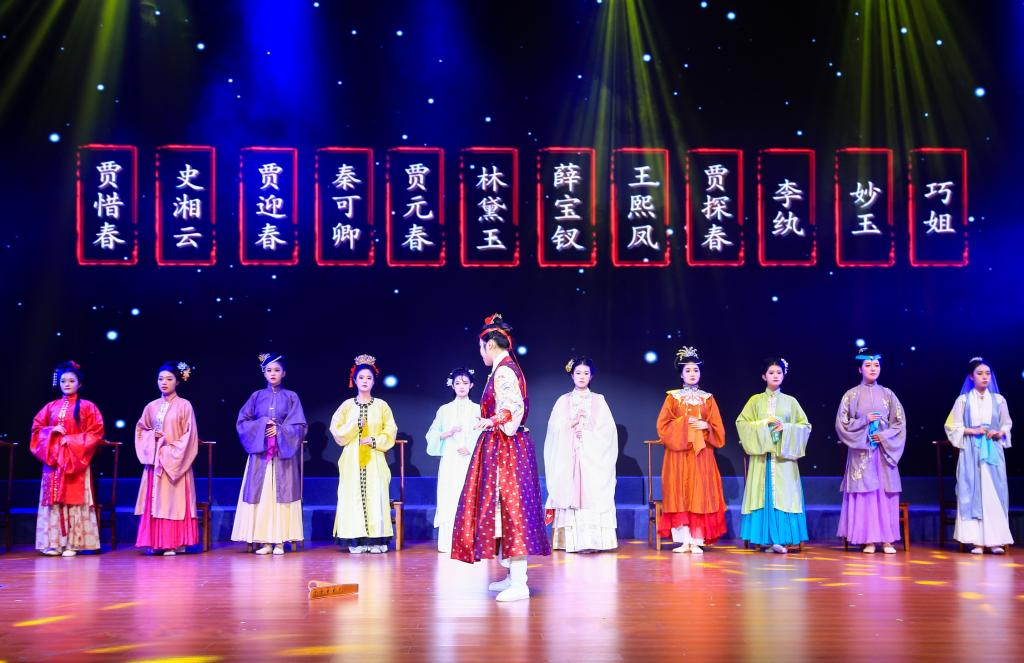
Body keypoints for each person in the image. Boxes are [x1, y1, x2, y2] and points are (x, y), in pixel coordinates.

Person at [451, 313, 551, 602]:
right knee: (500, 508)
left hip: (507, 448)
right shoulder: (502, 369)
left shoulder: (505, 371)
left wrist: (492, 420)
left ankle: (519, 582)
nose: (481, 353)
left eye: (481, 347)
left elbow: (512, 408)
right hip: (501, 446)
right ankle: (511, 575)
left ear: (491, 346)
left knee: (510, 507)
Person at [231, 353, 308, 555]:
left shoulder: (291, 397)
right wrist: (263, 424)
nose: (273, 373)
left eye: (277, 370)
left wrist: (280, 430)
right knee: (264, 495)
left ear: (284, 373)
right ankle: (265, 541)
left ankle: (280, 541)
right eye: (269, 370)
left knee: (281, 494)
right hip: (261, 455)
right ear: (264, 373)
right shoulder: (256, 396)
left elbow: (299, 425)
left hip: (283, 456)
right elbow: (242, 422)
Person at [655, 346, 727, 554]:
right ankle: (683, 540)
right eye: (688, 370)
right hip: (678, 454)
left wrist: (706, 426)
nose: (692, 374)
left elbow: (719, 429)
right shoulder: (672, 397)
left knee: (699, 493)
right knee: (679, 492)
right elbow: (662, 425)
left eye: (696, 370)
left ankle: (697, 540)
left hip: (701, 454)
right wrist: (684, 423)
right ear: (681, 374)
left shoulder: (708, 398)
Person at [835, 348, 907, 554]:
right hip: (861, 452)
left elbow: (899, 423)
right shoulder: (851, 395)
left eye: (876, 365)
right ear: (860, 369)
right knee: (865, 494)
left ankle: (887, 540)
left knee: (884, 493)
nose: (873, 369)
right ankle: (868, 540)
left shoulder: (888, 394)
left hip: (884, 452)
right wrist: (864, 421)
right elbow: (842, 424)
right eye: (868, 365)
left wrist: (883, 436)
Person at [543, 357, 618, 553]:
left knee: (592, 491)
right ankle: (570, 541)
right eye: (578, 373)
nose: (582, 377)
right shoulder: (563, 401)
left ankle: (595, 541)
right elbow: (553, 429)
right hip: (568, 457)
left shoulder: (599, 400)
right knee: (569, 489)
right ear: (572, 375)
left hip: (591, 458)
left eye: (586, 373)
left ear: (591, 376)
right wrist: (572, 425)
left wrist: (587, 435)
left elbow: (608, 432)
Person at [736, 358, 811, 553]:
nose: (775, 376)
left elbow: (805, 426)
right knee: (762, 494)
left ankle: (782, 539)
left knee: (785, 495)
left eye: (779, 372)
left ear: (784, 375)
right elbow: (741, 423)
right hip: (762, 458)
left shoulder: (791, 401)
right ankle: (766, 539)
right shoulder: (755, 401)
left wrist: (785, 427)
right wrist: (764, 425)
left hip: (783, 458)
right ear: (764, 376)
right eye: (771, 373)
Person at [30, 361, 105, 557]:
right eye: (63, 381)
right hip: (54, 461)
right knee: (53, 501)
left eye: (71, 381)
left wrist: (70, 440)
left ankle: (74, 543)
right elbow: (36, 430)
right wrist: (51, 431)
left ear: (80, 384)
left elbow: (96, 433)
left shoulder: (88, 407)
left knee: (74, 501)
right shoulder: (50, 407)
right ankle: (54, 543)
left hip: (75, 461)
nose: (67, 384)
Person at [944, 357, 1013, 554]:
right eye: (980, 373)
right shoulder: (963, 401)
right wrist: (973, 431)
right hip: (971, 451)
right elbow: (951, 426)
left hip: (992, 452)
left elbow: (1006, 424)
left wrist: (999, 432)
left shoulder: (999, 400)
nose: (985, 377)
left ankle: (995, 540)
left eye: (987, 374)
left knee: (994, 492)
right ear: (971, 377)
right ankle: (977, 542)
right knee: (972, 492)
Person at [330, 354, 398, 554]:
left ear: (374, 381)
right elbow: (337, 431)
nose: (365, 381)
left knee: (376, 493)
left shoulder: (382, 406)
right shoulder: (347, 406)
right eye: (361, 378)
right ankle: (355, 539)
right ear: (354, 380)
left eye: (369, 378)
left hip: (374, 456)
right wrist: (354, 425)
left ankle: (376, 539)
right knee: (352, 495)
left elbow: (391, 430)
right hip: (352, 457)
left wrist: (375, 440)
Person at [134, 361, 200, 555]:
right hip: (155, 463)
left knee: (173, 502)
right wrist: (151, 438)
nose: (164, 382)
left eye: (169, 379)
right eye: (160, 379)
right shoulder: (151, 406)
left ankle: (174, 542)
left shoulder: (184, 405)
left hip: (175, 463)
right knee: (156, 502)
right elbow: (141, 430)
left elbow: (190, 436)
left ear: (177, 382)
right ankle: (156, 542)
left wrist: (168, 452)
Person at [425, 368, 480, 554]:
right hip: (450, 459)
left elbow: (484, 434)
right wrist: (447, 433)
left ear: (471, 385)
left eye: (465, 383)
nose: (461, 386)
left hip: (470, 460)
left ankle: (470, 541)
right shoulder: (444, 410)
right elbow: (432, 434)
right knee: (449, 495)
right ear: (452, 386)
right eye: (457, 383)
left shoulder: (478, 409)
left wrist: (471, 447)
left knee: (470, 495)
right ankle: (448, 542)